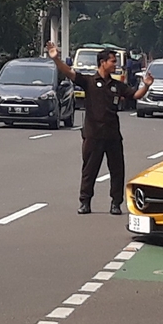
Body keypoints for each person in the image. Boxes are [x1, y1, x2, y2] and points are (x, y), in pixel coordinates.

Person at [49, 41, 138, 213]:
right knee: (89, 170)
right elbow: (69, 72)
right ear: (102, 62)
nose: (115, 64)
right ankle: (85, 202)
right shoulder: (89, 81)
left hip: (113, 136)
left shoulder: (116, 85)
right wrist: (56, 59)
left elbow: (135, 94)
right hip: (93, 135)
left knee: (117, 171)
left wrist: (147, 85)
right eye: (112, 61)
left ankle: (116, 203)